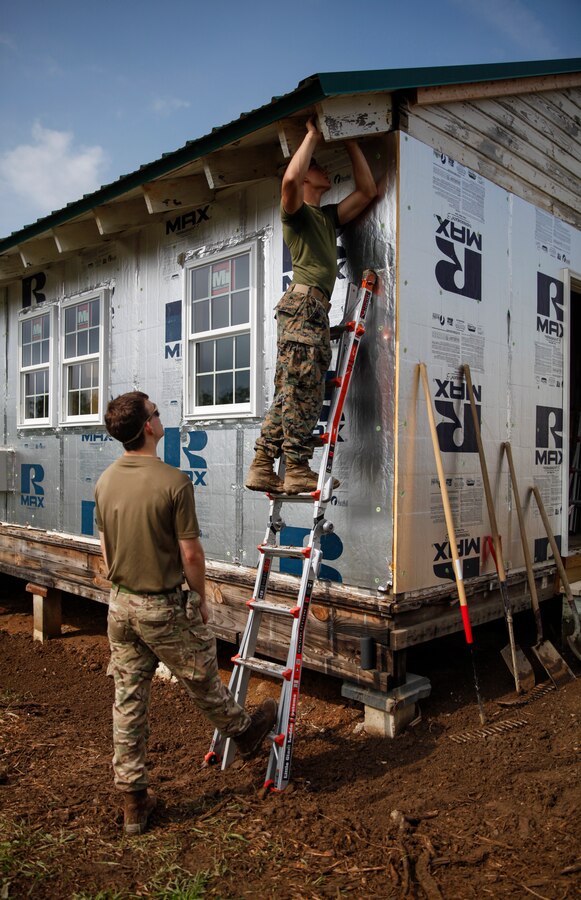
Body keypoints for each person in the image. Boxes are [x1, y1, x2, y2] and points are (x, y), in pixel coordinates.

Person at [95, 391, 277, 836]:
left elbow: (104, 547)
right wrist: (199, 599)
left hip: (119, 604)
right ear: (148, 428)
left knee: (129, 701)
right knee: (200, 676)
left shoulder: (104, 481)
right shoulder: (173, 481)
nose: (162, 417)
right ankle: (245, 732)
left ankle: (134, 801)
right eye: (157, 412)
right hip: (160, 604)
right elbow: (191, 554)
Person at [245, 116, 377, 495]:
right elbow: (289, 182)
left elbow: (367, 191)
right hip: (303, 306)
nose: (321, 168)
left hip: (312, 309)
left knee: (290, 390)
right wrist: (312, 136)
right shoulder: (297, 215)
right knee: (303, 388)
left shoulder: (325, 216)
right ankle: (298, 467)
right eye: (315, 167)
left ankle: (261, 465)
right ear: (305, 180)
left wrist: (352, 143)